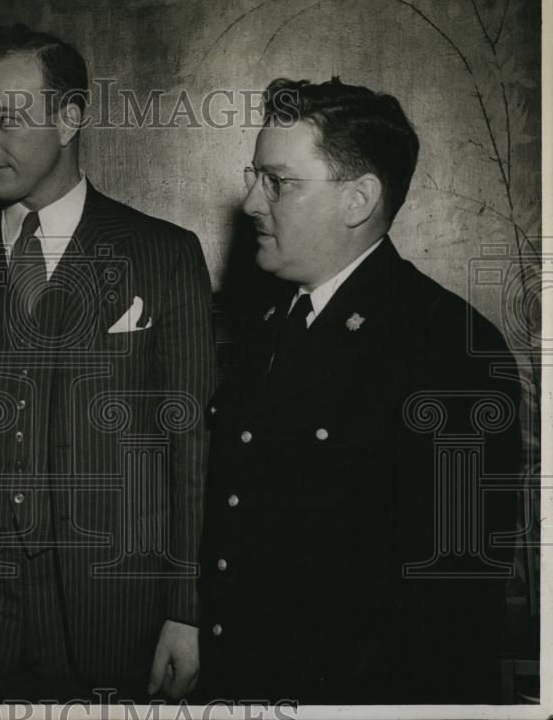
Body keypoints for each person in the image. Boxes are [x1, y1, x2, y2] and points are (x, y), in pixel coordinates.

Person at [0, 24, 216, 702]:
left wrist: (185, 606)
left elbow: (191, 446)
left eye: (5, 118)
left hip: (113, 610)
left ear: (69, 117)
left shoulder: (166, 255)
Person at [198, 77, 522, 704]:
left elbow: (450, 606)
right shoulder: (270, 325)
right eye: (253, 176)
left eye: (278, 182)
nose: (249, 204)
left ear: (358, 200)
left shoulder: (448, 349)